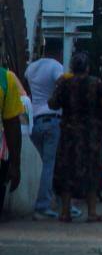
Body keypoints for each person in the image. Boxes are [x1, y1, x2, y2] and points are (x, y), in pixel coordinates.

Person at [47, 52, 102, 223]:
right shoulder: (96, 83)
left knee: (66, 171)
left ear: (72, 67)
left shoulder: (65, 83)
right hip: (90, 134)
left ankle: (65, 212)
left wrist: (58, 86)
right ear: (87, 67)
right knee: (92, 170)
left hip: (69, 133)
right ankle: (92, 212)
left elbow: (52, 104)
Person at [26, 39, 78, 220]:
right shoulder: (56, 65)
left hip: (35, 122)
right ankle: (43, 206)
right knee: (51, 165)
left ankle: (64, 204)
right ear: (57, 52)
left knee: (48, 166)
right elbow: (63, 84)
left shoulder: (31, 68)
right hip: (52, 120)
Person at [0, 58, 25, 218]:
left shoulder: (6, 79)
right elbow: (12, 126)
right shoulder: (5, 78)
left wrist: (15, 164)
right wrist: (15, 164)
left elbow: (12, 125)